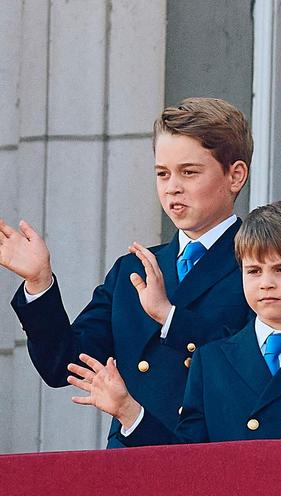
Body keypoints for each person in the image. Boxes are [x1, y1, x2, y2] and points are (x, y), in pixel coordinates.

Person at [0, 98, 255, 447]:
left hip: (211, 459)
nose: (172, 187)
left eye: (189, 172)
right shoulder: (132, 269)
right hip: (130, 460)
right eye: (162, 173)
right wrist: (39, 283)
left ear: (235, 175)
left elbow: (254, 367)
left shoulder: (257, 265)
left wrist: (170, 317)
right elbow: (64, 365)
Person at [65, 201, 281, 443]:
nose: (266, 283)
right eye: (253, 271)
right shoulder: (211, 359)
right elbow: (185, 463)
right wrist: (128, 411)